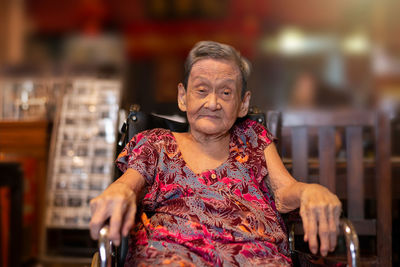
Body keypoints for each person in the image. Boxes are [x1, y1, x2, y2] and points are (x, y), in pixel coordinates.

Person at [89, 41, 341, 266]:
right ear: (182, 97)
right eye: (201, 90)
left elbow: (285, 192)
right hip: (172, 254)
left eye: (226, 92)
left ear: (243, 103)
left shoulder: (253, 138)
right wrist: (120, 191)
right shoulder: (156, 142)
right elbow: (129, 185)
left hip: (256, 256)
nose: (212, 103)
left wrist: (310, 191)